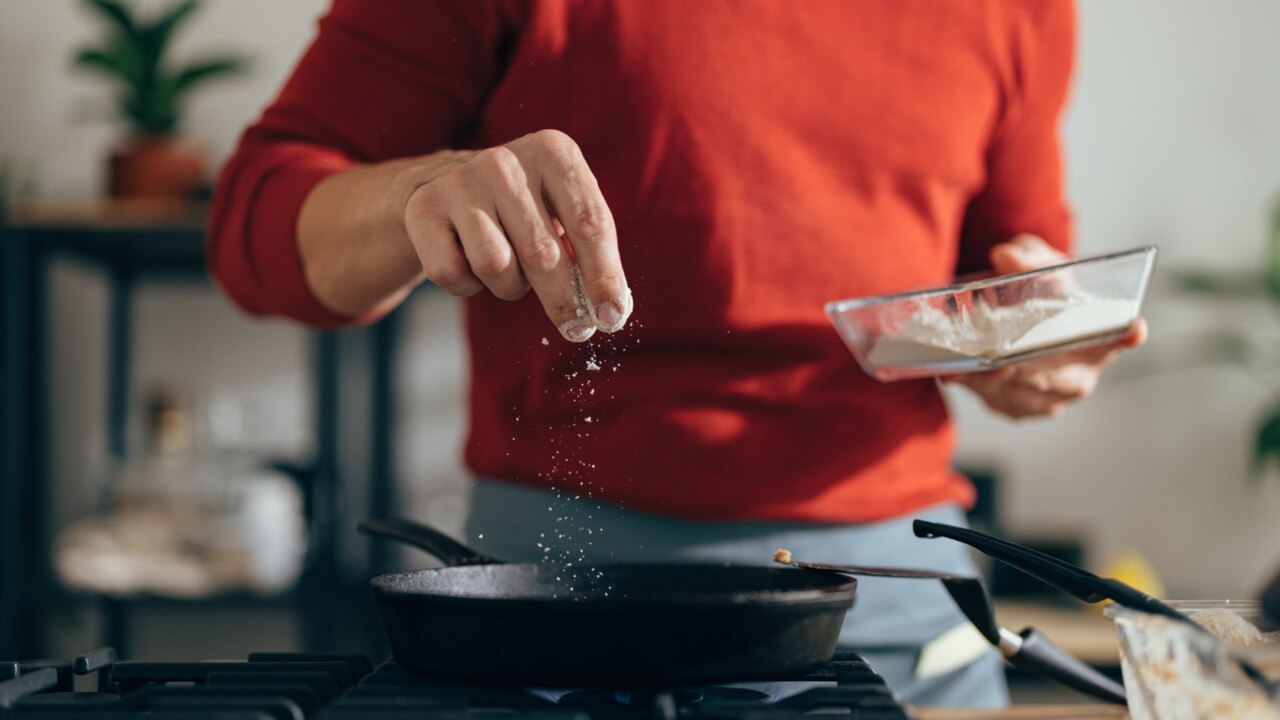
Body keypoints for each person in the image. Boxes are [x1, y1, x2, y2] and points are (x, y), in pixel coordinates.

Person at [208, 0, 1144, 707]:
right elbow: (257, 220)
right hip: (556, 602)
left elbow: (1017, 272)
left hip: (897, 604)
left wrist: (1038, 348)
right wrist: (421, 194)